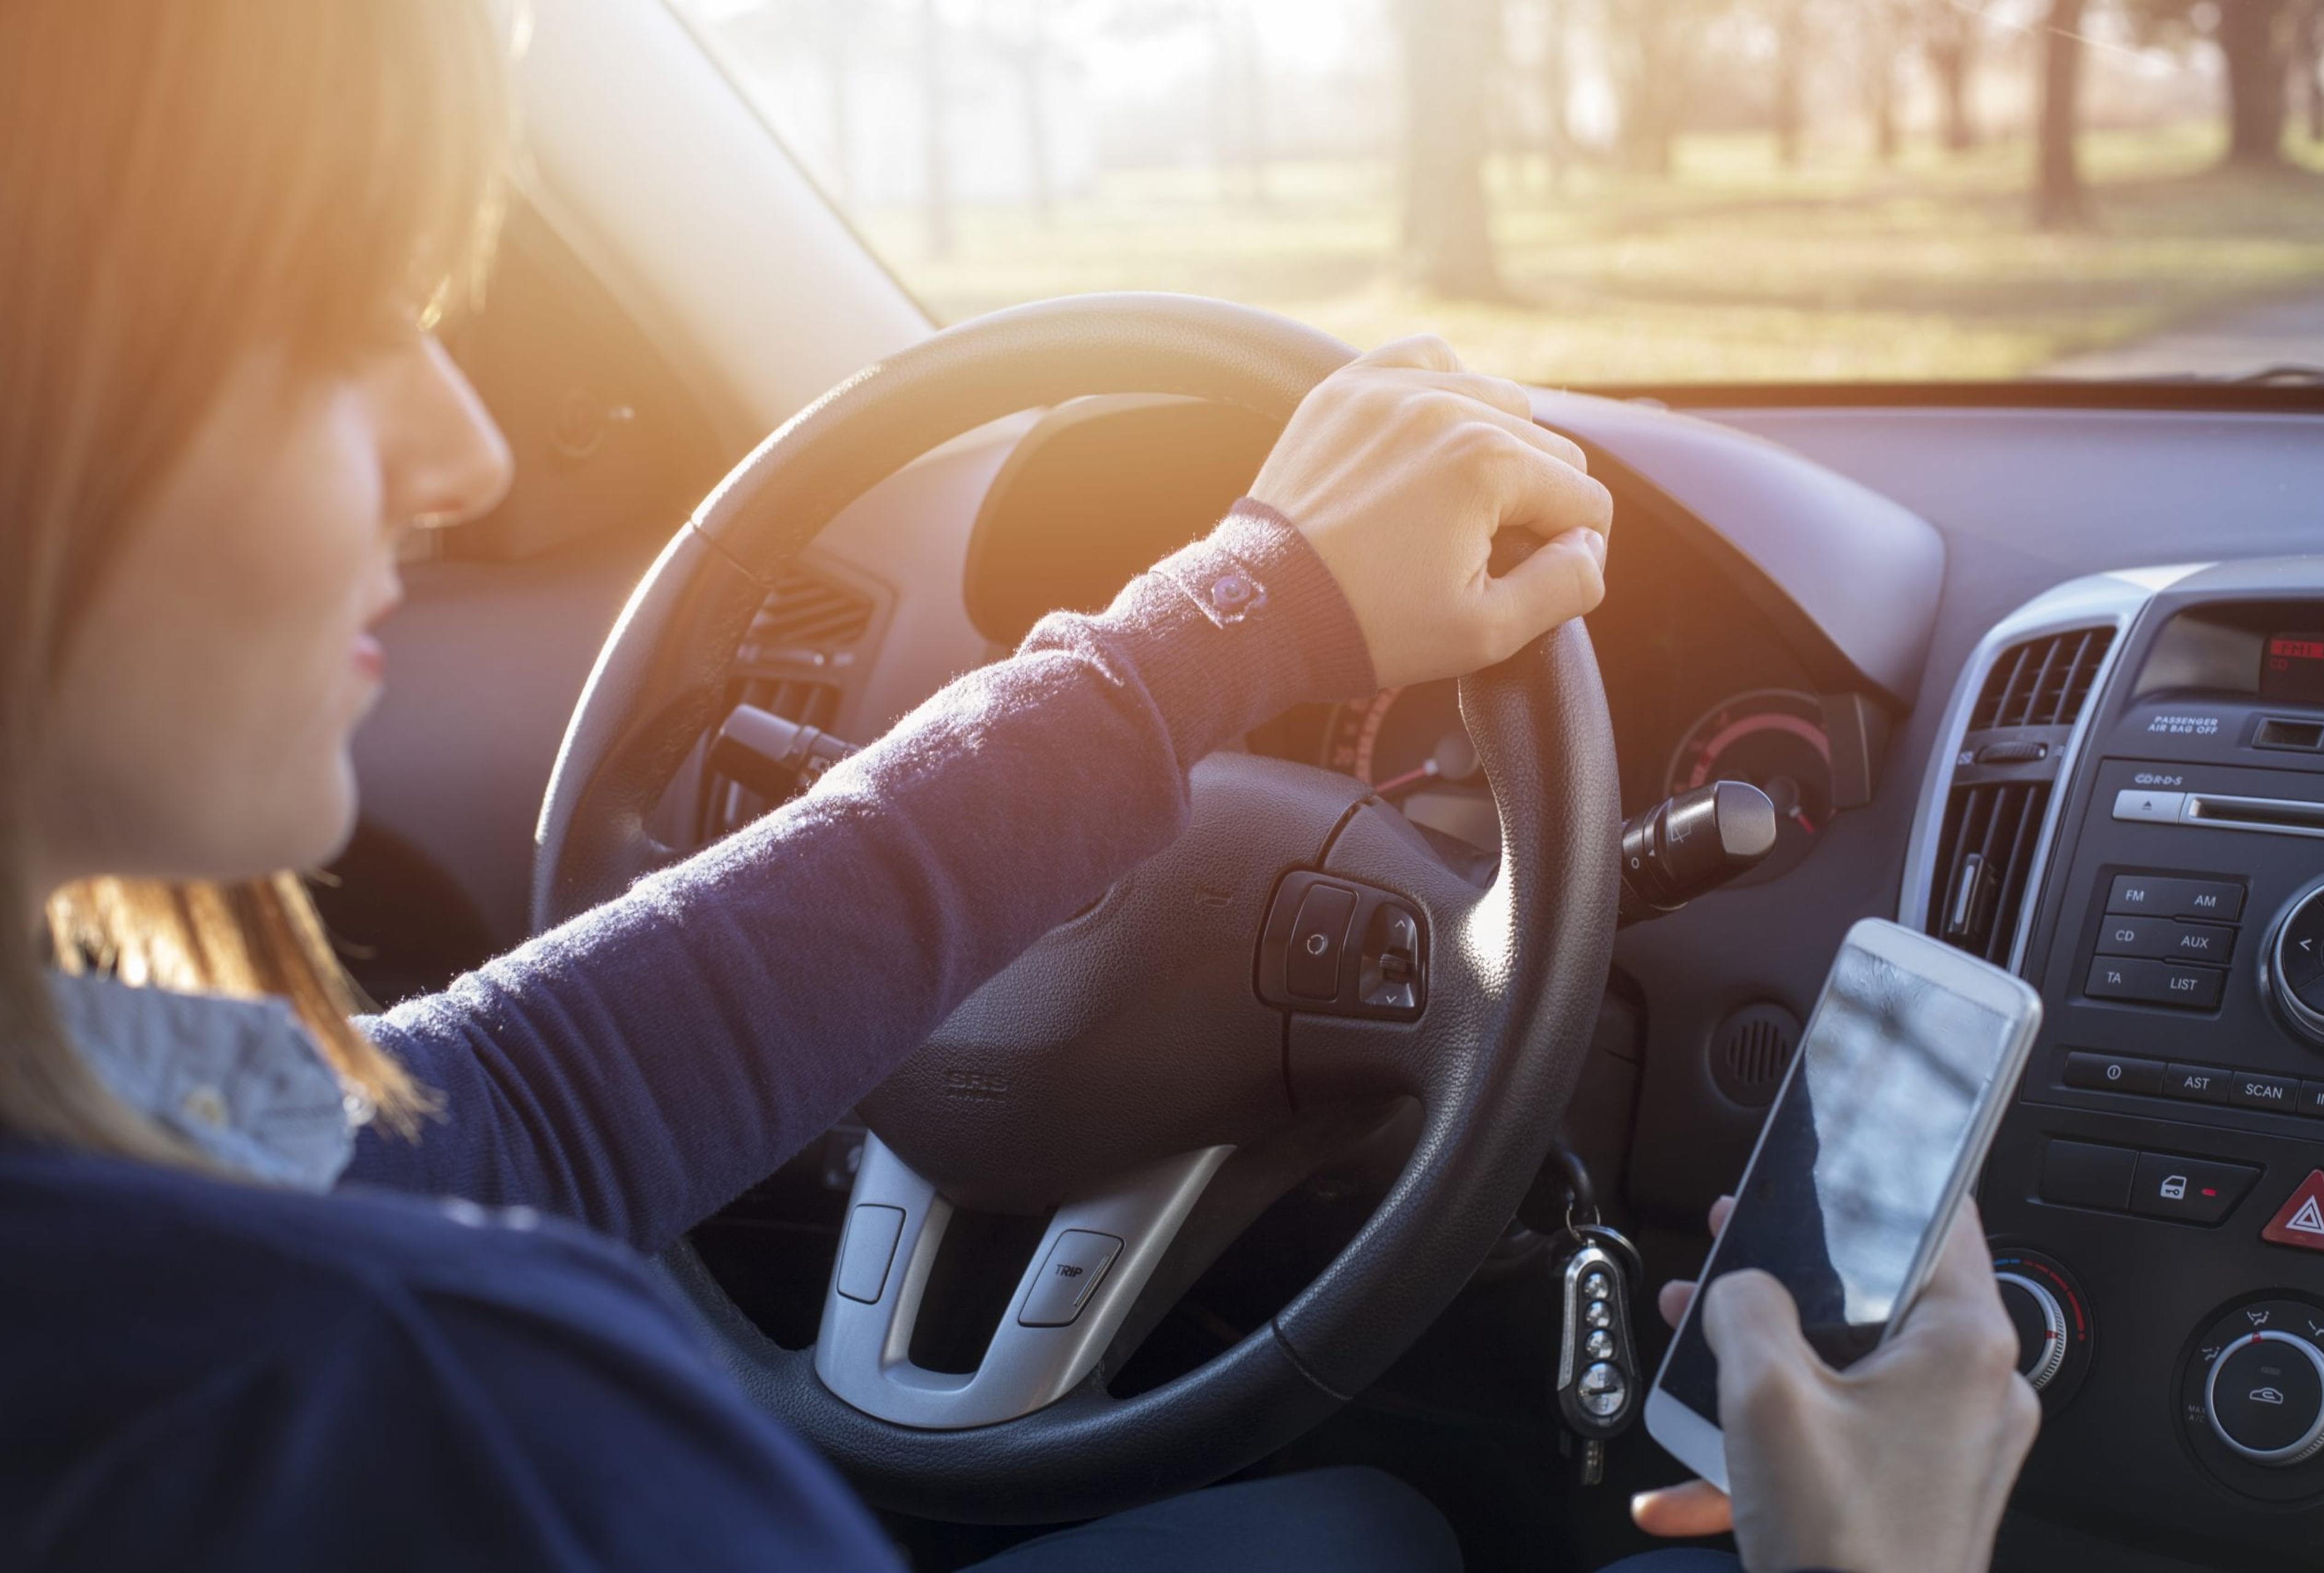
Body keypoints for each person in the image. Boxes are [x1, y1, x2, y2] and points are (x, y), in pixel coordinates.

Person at [0, 2, 2034, 1569]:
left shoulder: (128, 1216)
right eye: (339, 329)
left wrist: (1253, 619)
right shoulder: (404, 1405)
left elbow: (492, 1118)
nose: (465, 456)